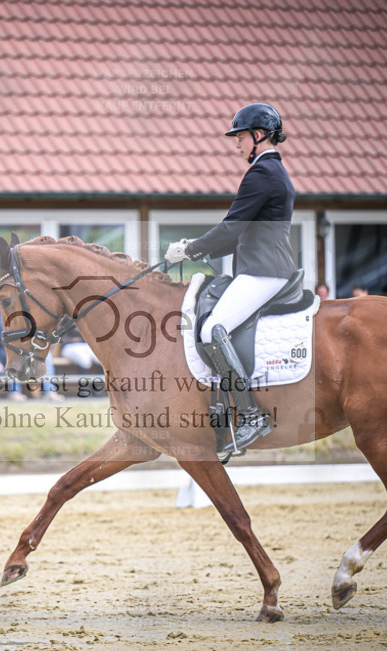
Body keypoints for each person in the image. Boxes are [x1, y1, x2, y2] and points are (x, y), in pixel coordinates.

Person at [164, 102, 295, 452]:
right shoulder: (272, 171)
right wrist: (196, 249)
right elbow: (240, 233)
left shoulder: (262, 173)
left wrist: (190, 249)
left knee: (211, 329)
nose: (236, 143)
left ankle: (251, 415)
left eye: (240, 136)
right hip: (265, 267)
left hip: (264, 270)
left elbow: (232, 227)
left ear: (259, 135)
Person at [0, 310, 64, 402]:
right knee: (14, 355)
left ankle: (50, 392)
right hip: (3, 350)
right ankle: (15, 393)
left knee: (46, 356)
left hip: (26, 349)